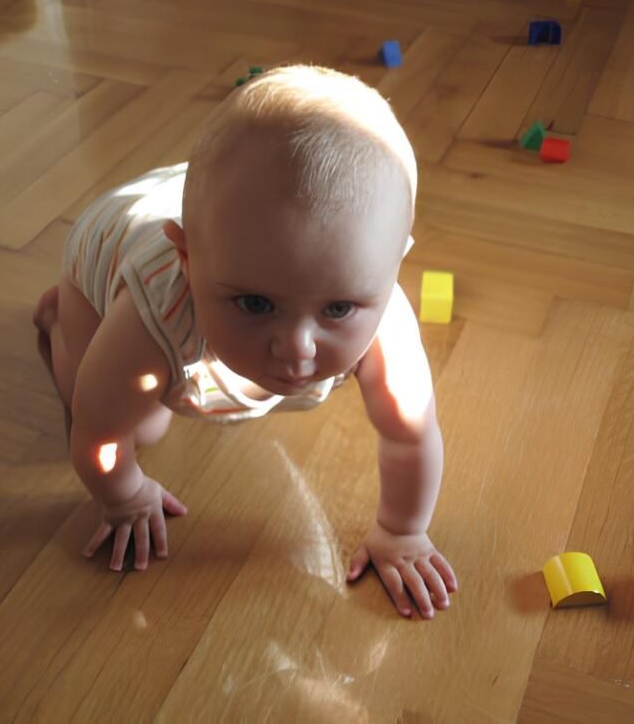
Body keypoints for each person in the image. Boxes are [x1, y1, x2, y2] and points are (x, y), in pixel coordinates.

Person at [33, 65, 457, 619]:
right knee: (130, 418)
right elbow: (98, 432)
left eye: (337, 309)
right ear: (187, 261)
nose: (298, 349)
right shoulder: (152, 316)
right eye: (256, 304)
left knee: (142, 409)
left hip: (230, 226)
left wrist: (402, 532)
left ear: (392, 264)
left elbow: (410, 437)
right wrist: (125, 495)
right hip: (107, 243)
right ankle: (59, 320)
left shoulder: (382, 318)